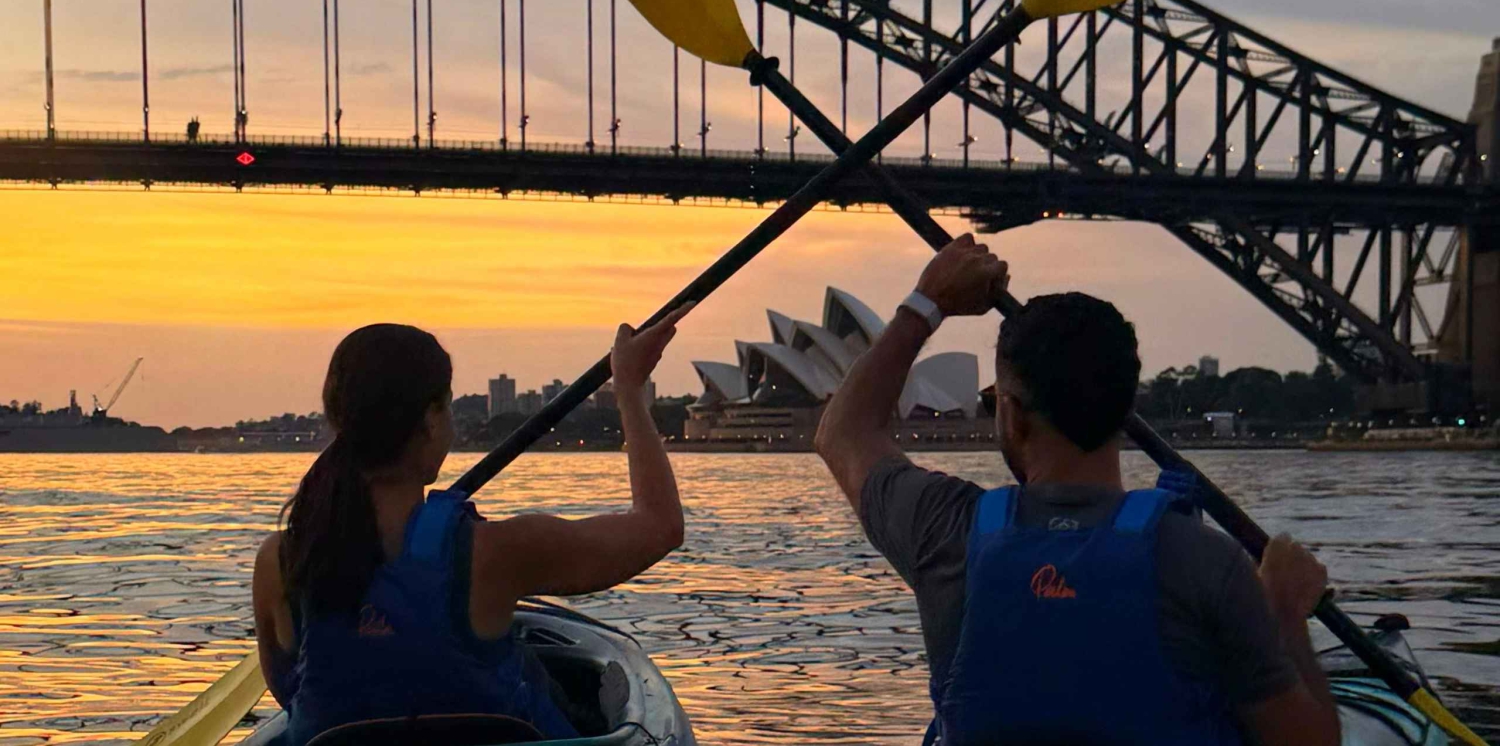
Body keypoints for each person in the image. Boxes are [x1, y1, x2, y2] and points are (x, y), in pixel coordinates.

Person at [815, 235, 1340, 746]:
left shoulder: (943, 531)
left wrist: (926, 303)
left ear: (1012, 414)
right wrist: (1286, 613)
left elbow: (844, 431)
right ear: (1124, 410)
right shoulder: (1206, 562)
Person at [252, 307, 691, 744]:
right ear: (430, 420)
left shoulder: (279, 562)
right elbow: (660, 526)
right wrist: (630, 389)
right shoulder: (496, 553)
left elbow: (290, 689)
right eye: (448, 407)